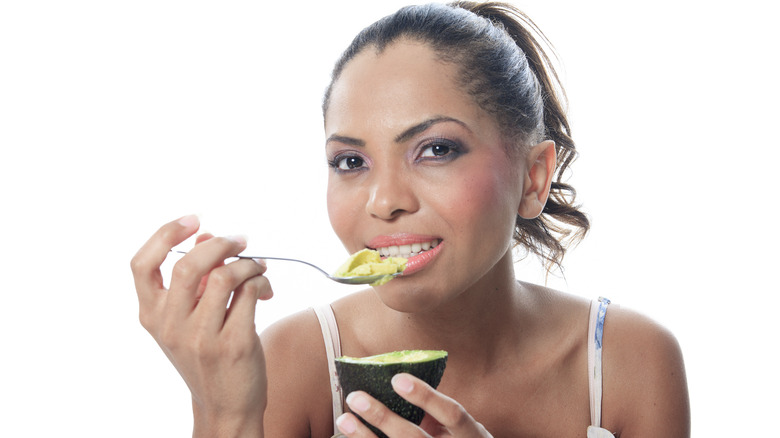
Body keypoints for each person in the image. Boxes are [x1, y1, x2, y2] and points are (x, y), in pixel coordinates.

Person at [131, 2, 690, 437]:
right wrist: (222, 412)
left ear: (534, 177)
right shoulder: (288, 364)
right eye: (351, 161)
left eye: (436, 149)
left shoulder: (629, 364)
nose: (383, 200)